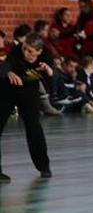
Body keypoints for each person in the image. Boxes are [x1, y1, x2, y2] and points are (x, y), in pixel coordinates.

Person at [0, 33, 54, 182]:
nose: (26, 53)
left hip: (29, 91)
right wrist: (9, 72)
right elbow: (4, 65)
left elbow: (50, 77)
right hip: (8, 90)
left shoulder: (46, 56)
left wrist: (49, 71)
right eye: (25, 49)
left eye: (31, 52)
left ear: (39, 52)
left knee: (34, 127)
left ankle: (44, 167)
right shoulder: (17, 50)